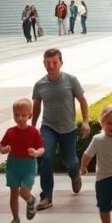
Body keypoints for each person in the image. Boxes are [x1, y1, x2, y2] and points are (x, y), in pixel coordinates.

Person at [32, 48, 90, 210]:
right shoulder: (39, 84)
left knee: (69, 161)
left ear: (61, 63)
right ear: (43, 63)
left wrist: (86, 121)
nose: (51, 66)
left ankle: (75, 174)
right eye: (48, 63)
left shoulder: (71, 80)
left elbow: (82, 101)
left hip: (68, 128)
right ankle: (47, 196)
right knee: (47, 158)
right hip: (48, 127)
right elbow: (36, 107)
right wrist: (32, 127)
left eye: (54, 62)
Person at [0, 98, 45, 223]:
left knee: (23, 192)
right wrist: (4, 150)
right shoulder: (10, 131)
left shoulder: (33, 132)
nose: (19, 118)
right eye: (16, 115)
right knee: (13, 194)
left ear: (30, 115)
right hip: (13, 166)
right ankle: (15, 219)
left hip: (28, 167)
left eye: (23, 115)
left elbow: (42, 148)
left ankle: (31, 200)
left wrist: (36, 153)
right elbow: (1, 146)